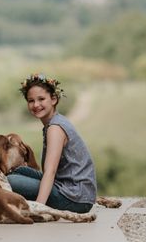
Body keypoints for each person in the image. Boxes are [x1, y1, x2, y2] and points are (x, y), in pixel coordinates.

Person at [7, 73, 97, 214]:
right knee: (17, 170)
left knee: (11, 181)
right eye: (31, 101)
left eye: (41, 99)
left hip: (75, 198)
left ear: (53, 99)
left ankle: (32, 204)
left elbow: (50, 172)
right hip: (64, 186)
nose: (36, 105)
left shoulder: (55, 128)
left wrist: (39, 208)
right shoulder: (54, 122)